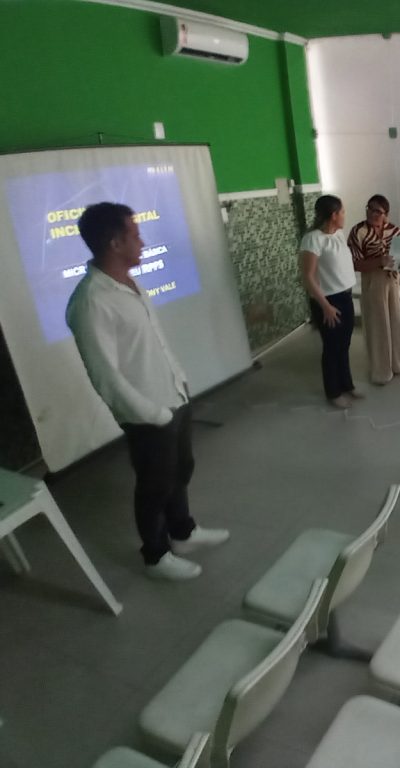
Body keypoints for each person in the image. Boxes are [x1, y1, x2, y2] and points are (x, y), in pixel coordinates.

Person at [66, 203, 229, 581]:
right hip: (147, 412)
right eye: (135, 234)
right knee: (155, 485)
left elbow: (152, 340)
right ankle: (155, 555)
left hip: (173, 395)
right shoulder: (90, 301)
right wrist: (153, 414)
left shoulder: (129, 282)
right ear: (114, 241)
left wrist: (180, 378)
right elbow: (105, 376)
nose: (142, 241)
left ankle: (183, 532)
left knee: (181, 469)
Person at [299, 195, 361, 409]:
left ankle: (347, 385)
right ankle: (333, 392)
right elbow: (307, 276)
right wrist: (325, 306)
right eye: (342, 212)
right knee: (332, 347)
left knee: (344, 344)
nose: (344, 215)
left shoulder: (339, 234)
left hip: (345, 296)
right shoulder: (313, 239)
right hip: (328, 301)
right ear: (333, 215)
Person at [348, 194, 400, 385]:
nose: (373, 213)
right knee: (377, 325)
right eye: (370, 208)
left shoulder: (394, 230)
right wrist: (378, 262)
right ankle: (380, 372)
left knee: (394, 321)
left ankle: (397, 365)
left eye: (378, 211)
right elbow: (355, 264)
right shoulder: (358, 231)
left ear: (386, 214)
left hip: (392, 279)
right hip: (372, 280)